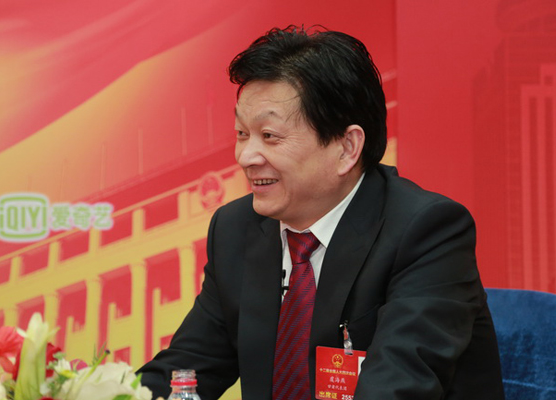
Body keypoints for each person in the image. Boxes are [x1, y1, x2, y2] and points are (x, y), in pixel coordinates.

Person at [138, 25, 505, 400]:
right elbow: (184, 371)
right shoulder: (236, 229)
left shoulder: (427, 232)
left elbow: (396, 387)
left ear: (346, 148)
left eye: (270, 136)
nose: (246, 157)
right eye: (242, 134)